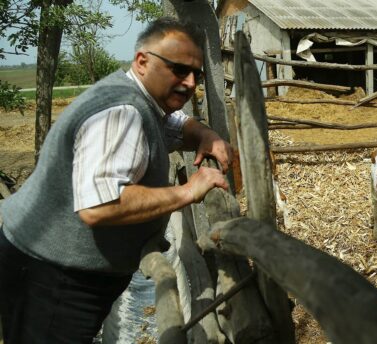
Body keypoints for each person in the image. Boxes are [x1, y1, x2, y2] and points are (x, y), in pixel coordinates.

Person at [0, 17, 233, 343]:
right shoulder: (122, 111)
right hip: (53, 276)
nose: (191, 82)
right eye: (180, 70)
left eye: (199, 74)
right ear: (142, 61)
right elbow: (101, 206)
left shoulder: (143, 98)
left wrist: (205, 134)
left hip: (52, 265)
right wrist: (188, 191)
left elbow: (175, 124)